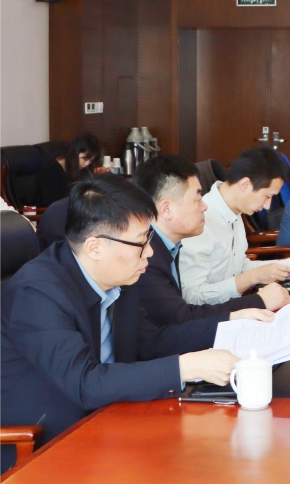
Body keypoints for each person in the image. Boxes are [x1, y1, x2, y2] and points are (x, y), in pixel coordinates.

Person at [0, 175, 266, 469]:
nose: (150, 252)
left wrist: (230, 322)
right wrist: (186, 367)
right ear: (95, 247)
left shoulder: (118, 276)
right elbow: (84, 383)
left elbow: (150, 341)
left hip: (111, 418)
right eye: (141, 242)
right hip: (45, 445)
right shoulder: (36, 293)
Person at [134, 155, 290, 326]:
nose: (204, 206)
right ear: (166, 209)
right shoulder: (146, 256)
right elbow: (182, 313)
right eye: (197, 200)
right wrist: (257, 300)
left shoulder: (170, 243)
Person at [180, 147, 290, 305]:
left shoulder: (234, 211)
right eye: (267, 196)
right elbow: (192, 296)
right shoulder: (200, 219)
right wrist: (252, 278)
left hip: (235, 305)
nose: (267, 206)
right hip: (214, 314)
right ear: (245, 185)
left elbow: (239, 266)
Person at [34, 132, 101, 206]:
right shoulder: (49, 171)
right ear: (74, 153)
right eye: (84, 158)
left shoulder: (84, 171)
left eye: (90, 161)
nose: (87, 164)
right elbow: (53, 205)